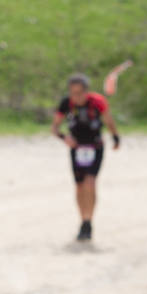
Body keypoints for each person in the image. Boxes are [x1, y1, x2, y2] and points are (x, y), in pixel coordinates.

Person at [51, 73, 120, 241]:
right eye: (73, 93)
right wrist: (64, 138)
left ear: (86, 91)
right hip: (76, 149)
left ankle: (89, 220)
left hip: (95, 147)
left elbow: (108, 120)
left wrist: (115, 137)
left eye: (79, 92)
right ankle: (83, 220)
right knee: (79, 187)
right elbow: (55, 127)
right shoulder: (66, 103)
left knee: (90, 183)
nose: (77, 97)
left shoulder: (97, 102)